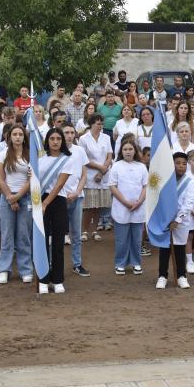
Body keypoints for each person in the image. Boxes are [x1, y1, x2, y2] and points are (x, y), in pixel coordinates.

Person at [36, 128, 75, 293]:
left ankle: (57, 279)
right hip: (40, 200)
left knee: (58, 242)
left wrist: (45, 204)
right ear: (47, 140)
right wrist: (41, 203)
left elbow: (60, 184)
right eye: (52, 138)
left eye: (59, 138)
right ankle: (43, 279)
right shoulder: (39, 159)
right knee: (42, 242)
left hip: (58, 200)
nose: (55, 141)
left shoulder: (67, 159)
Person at [0, 124, 32, 284]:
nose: (17, 137)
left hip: (24, 198)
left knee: (24, 236)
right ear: (9, 137)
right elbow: (0, 178)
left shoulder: (30, 155)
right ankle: (4, 269)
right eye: (15, 134)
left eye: (20, 134)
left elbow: (32, 179)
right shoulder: (3, 154)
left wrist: (18, 196)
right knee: (7, 235)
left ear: (24, 137)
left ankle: (26, 269)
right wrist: (10, 197)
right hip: (7, 198)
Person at [108, 137, 147, 276]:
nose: (128, 152)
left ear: (135, 151)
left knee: (136, 239)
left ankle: (136, 263)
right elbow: (112, 186)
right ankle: (120, 263)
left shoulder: (141, 167)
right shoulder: (116, 166)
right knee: (121, 239)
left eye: (130, 149)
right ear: (121, 151)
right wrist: (125, 202)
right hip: (121, 207)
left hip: (138, 207)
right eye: (125, 149)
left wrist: (139, 202)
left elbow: (145, 186)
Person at [156, 152, 193, 290]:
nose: (181, 166)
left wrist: (177, 220)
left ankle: (181, 276)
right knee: (164, 248)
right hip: (165, 220)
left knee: (179, 248)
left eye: (184, 164)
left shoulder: (189, 182)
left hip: (181, 222)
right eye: (178, 163)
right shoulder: (165, 181)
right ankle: (162, 276)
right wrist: (166, 218)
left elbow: (188, 203)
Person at [61, 123, 90, 277]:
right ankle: (55, 264)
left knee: (76, 233)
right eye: (66, 132)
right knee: (57, 232)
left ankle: (77, 264)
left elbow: (84, 174)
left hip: (77, 197)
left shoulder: (79, 151)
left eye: (72, 132)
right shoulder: (55, 151)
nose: (70, 135)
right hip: (59, 197)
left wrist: (77, 191)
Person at [80, 114, 113, 241]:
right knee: (89, 206)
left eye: (101, 123)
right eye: (98, 124)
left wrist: (102, 171)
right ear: (91, 124)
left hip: (103, 175)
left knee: (98, 206)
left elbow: (109, 156)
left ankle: (94, 231)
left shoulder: (106, 137)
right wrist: (100, 169)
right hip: (89, 176)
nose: (100, 126)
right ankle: (84, 231)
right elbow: (85, 159)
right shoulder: (83, 139)